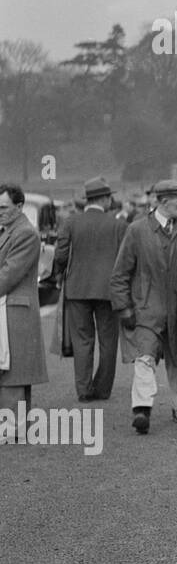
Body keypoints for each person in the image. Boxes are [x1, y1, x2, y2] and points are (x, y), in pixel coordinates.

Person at [109, 180, 177, 434]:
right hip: (146, 309)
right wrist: (124, 308)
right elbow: (120, 273)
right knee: (144, 357)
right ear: (163, 202)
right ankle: (141, 409)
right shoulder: (137, 230)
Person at [52, 176, 127, 401]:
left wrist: (59, 274)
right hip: (108, 290)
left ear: (88, 200)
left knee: (82, 339)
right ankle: (102, 389)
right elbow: (125, 260)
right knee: (108, 341)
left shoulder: (70, 223)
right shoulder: (119, 225)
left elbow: (61, 254)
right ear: (103, 199)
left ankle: (84, 390)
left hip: (78, 289)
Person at [0, 183, 50, 443]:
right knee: (11, 371)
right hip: (8, 308)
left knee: (13, 374)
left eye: (4, 207)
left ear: (19, 207)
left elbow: (9, 274)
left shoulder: (25, 233)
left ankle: (12, 430)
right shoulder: (9, 230)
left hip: (15, 310)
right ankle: (18, 427)